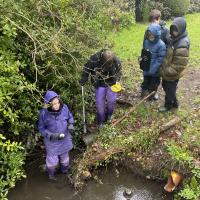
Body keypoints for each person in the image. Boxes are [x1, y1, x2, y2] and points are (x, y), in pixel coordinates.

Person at [79, 49, 122, 128]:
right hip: (99, 83)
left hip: (111, 82)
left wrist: (118, 79)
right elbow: (86, 69)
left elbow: (119, 70)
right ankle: (101, 121)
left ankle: (109, 116)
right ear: (102, 59)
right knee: (100, 103)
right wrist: (83, 80)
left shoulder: (115, 60)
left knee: (111, 100)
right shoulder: (94, 59)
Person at [38, 90, 75, 180]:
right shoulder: (43, 113)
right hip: (52, 142)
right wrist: (51, 135)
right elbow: (41, 128)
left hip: (65, 138)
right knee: (52, 161)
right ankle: (51, 175)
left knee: (65, 158)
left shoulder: (64, 107)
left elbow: (70, 117)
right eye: (53, 104)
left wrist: (70, 124)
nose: (56, 105)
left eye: (57, 103)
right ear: (49, 104)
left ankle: (65, 170)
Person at [159, 17, 190, 112]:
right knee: (167, 86)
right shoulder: (174, 38)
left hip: (173, 73)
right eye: (172, 30)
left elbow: (179, 65)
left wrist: (166, 71)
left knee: (169, 89)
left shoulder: (182, 44)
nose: (173, 32)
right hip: (168, 69)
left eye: (175, 30)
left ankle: (168, 106)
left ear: (181, 30)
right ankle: (175, 102)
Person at [142, 9, 169, 100]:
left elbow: (167, 44)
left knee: (155, 80)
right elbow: (144, 44)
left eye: (155, 20)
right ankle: (145, 90)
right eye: (152, 20)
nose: (153, 22)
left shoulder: (165, 30)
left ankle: (154, 92)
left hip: (158, 59)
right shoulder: (148, 31)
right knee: (146, 79)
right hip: (149, 60)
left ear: (159, 18)